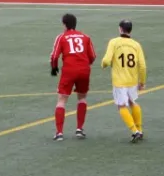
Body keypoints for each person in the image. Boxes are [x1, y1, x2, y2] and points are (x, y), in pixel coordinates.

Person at [49, 13, 96, 141]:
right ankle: (79, 129)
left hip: (69, 70)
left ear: (64, 24)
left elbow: (54, 56)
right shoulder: (85, 37)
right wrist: (85, 64)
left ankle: (59, 133)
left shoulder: (62, 37)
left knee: (62, 99)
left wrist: (54, 68)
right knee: (82, 98)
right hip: (84, 70)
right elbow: (92, 56)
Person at [101, 19, 146, 143]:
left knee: (121, 106)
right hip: (132, 80)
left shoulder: (114, 42)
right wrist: (141, 81)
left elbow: (106, 60)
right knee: (133, 102)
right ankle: (140, 129)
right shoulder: (136, 44)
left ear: (120, 29)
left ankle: (134, 131)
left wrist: (103, 65)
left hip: (119, 81)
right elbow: (142, 66)